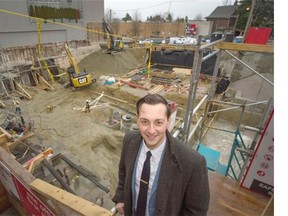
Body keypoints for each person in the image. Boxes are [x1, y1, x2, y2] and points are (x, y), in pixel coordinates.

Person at [112, 94, 210, 216]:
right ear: (137, 119)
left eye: (158, 122)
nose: (151, 130)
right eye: (145, 122)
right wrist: (121, 197)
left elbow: (196, 211)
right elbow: (123, 171)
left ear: (168, 122)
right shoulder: (129, 140)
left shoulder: (193, 162)